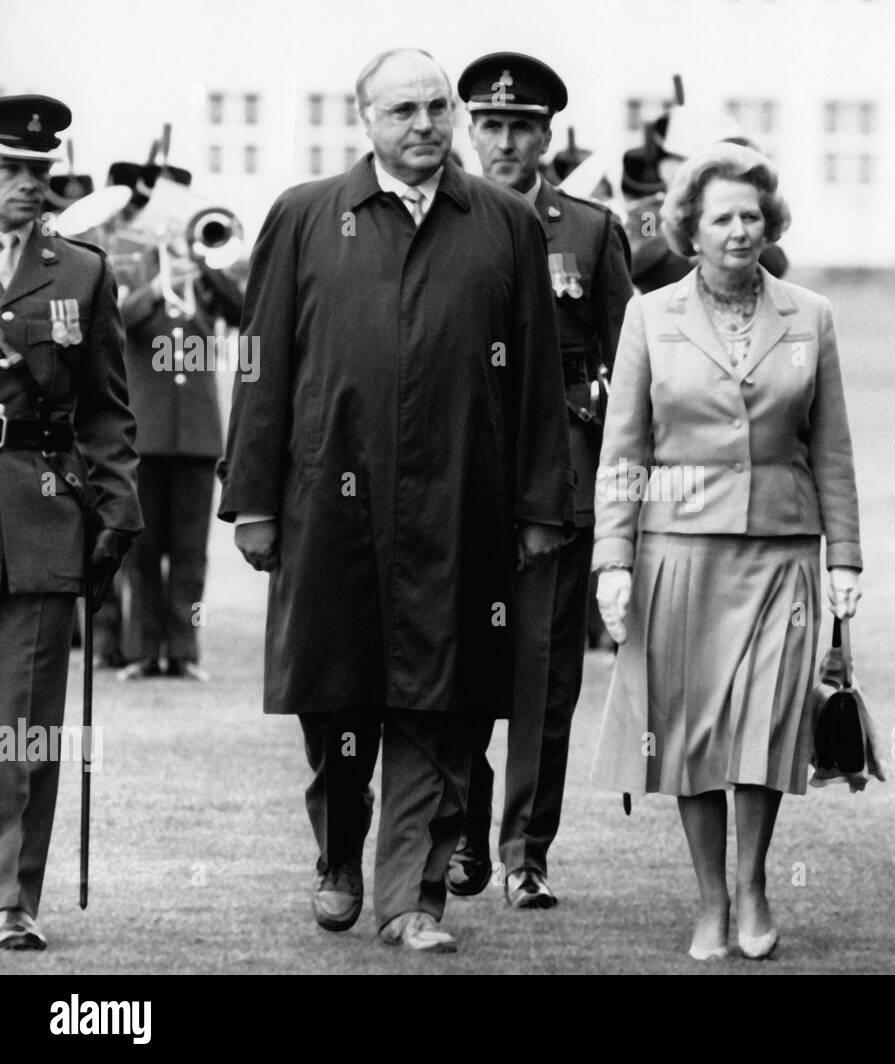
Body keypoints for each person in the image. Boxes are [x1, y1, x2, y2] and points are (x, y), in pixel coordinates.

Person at [218, 48, 573, 953]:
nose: (424, 125)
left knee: (442, 704)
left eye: (435, 107)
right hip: (329, 508)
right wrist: (252, 499)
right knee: (335, 700)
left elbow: (536, 379)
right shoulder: (304, 218)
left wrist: (539, 505)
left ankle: (414, 899)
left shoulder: (500, 222)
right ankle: (339, 851)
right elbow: (260, 368)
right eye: (402, 110)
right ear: (365, 121)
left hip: (461, 509)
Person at [591, 143, 862, 960]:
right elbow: (623, 449)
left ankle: (753, 888)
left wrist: (845, 555)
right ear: (690, 230)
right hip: (678, 551)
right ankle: (709, 899)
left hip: (781, 550)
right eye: (723, 218)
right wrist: (612, 558)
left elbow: (834, 448)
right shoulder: (650, 315)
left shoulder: (810, 315)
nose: (740, 231)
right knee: (690, 733)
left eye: (752, 215)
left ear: (769, 222)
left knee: (769, 725)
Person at [450, 52, 633, 908]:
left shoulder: (590, 230)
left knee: (544, 675)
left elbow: (631, 370)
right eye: (491, 124)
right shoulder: (441, 219)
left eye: (523, 125)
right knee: (450, 666)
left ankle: (527, 849)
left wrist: (629, 493)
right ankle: (460, 826)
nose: (507, 140)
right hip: (456, 476)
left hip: (559, 478)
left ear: (548, 133)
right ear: (470, 130)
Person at [0, 95, 142, 949]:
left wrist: (117, 511)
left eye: (37, 173)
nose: (27, 186)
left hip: (39, 505)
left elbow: (108, 408)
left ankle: (12, 899)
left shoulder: (81, 272)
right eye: (10, 171)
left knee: (24, 719)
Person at [109, 161, 243, 681]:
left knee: (190, 554)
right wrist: (161, 277)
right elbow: (118, 323)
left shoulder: (209, 275)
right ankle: (142, 649)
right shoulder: (131, 267)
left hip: (198, 436)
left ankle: (183, 650)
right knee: (142, 551)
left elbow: (246, 309)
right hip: (146, 433)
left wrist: (204, 267)